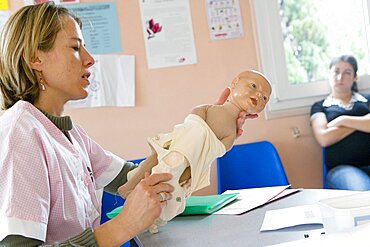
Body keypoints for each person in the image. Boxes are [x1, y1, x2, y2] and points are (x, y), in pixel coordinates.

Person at [0, 2, 249, 246]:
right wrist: (123, 226)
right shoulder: (21, 132)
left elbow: (134, 180)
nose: (89, 60)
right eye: (75, 47)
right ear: (35, 58)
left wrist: (205, 136)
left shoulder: (70, 133)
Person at [119, 70, 271, 233]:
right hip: (182, 143)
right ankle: (129, 187)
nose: (258, 95)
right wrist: (197, 129)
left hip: (195, 157)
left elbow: (220, 149)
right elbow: (195, 115)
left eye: (264, 98)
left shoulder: (232, 131)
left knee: (174, 182)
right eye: (253, 86)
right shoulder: (211, 109)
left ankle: (152, 217)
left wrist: (208, 144)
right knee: (158, 158)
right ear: (234, 83)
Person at [310, 55, 370, 191]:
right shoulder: (320, 107)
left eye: (347, 72)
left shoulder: (367, 99)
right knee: (365, 196)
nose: (340, 77)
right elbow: (324, 138)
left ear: (355, 77)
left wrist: (343, 120)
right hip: (343, 170)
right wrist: (363, 123)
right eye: (336, 71)